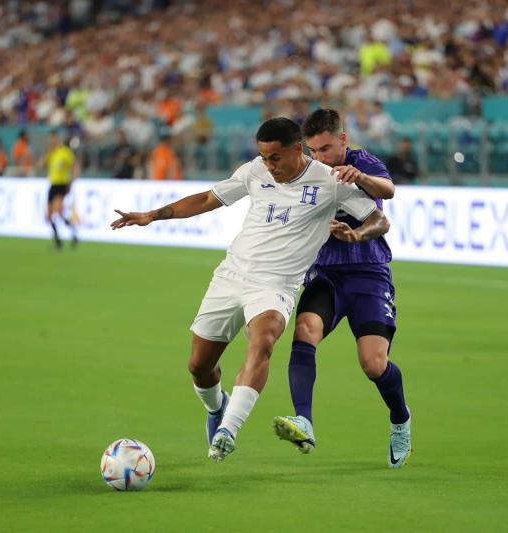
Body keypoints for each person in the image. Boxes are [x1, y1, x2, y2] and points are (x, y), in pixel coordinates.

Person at [110, 117, 390, 463]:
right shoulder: (255, 171)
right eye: (264, 157)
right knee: (199, 365)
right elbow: (207, 199)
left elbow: (379, 219)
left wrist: (358, 234)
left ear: (297, 150)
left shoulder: (329, 181)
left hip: (276, 286)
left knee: (264, 341)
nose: (269, 165)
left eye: (275, 157)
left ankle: (228, 429)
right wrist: (153, 215)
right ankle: (217, 407)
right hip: (232, 276)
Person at [270, 109, 411, 468]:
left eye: (327, 149)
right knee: (304, 331)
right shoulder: (309, 171)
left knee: (374, 364)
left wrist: (359, 180)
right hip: (326, 273)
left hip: (368, 273)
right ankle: (304, 420)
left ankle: (400, 418)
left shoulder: (361, 162)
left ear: (343, 140)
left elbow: (388, 194)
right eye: (314, 150)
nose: (320, 158)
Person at [39, 131, 80, 250]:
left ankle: (58, 242)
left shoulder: (65, 152)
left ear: (58, 139)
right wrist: (47, 153)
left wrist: (72, 181)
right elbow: (41, 165)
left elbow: (75, 166)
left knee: (56, 211)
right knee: (51, 215)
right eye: (51, 139)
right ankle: (72, 233)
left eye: (54, 139)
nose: (52, 142)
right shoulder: (51, 153)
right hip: (53, 185)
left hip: (62, 185)